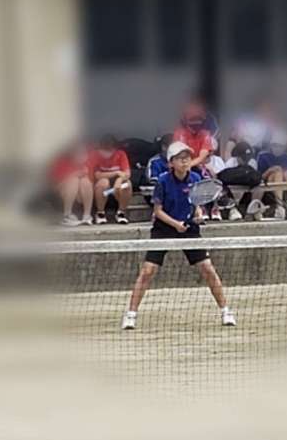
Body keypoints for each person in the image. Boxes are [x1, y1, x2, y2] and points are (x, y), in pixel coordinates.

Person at [121, 141, 236, 330]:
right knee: (148, 271)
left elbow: (196, 203)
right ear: (171, 162)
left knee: (208, 269)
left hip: (189, 229)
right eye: (180, 159)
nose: (185, 162)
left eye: (187, 158)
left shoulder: (195, 177)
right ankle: (131, 314)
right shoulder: (163, 181)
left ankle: (226, 311)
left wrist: (198, 214)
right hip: (164, 228)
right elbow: (157, 211)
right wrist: (175, 224)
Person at [173, 103, 217, 220]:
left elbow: (203, 156)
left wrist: (190, 165)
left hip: (197, 165)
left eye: (198, 120)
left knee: (208, 177)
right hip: (180, 166)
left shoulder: (205, 134)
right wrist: (186, 165)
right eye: (192, 120)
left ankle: (209, 208)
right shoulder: (180, 133)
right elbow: (180, 154)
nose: (196, 123)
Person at [257, 132, 287, 220]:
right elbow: (260, 177)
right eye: (275, 145)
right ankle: (280, 207)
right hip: (269, 184)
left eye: (280, 146)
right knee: (278, 173)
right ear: (271, 146)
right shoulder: (263, 157)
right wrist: (270, 170)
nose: (277, 148)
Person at [90, 134, 133, 225]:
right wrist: (116, 173)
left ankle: (121, 213)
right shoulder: (96, 154)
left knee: (127, 184)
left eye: (111, 145)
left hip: (117, 185)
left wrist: (119, 180)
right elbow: (98, 175)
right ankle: (100, 213)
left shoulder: (120, 154)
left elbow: (127, 173)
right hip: (103, 186)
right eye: (106, 145)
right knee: (103, 182)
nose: (109, 147)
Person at [49, 142, 94, 226]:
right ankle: (67, 215)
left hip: (80, 196)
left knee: (85, 181)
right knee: (74, 180)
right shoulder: (61, 162)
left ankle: (87, 216)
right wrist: (74, 175)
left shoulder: (86, 165)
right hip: (63, 194)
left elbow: (91, 185)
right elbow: (55, 187)